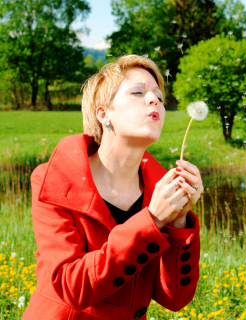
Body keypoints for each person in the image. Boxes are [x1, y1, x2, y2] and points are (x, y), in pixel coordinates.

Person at [22, 54, 204, 320]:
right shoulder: (54, 181)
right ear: (103, 113)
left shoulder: (161, 190)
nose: (153, 100)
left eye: (159, 97)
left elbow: (174, 298)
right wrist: (152, 219)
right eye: (138, 92)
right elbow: (71, 287)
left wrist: (178, 219)